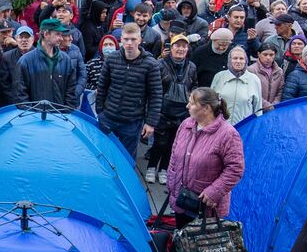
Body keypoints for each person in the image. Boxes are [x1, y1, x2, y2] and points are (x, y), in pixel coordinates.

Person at [165, 87, 245, 252]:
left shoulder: (228, 134)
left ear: (206, 108)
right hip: (183, 195)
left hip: (206, 200)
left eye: (191, 102)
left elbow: (235, 169)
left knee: (207, 237)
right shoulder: (186, 125)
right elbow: (175, 155)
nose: (187, 106)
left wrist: (214, 191)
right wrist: (172, 182)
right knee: (183, 231)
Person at [96, 21, 162, 159]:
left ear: (140, 40)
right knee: (103, 155)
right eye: (126, 39)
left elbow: (155, 95)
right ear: (121, 40)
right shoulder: (112, 59)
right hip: (108, 116)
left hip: (132, 121)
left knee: (126, 159)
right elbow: (102, 86)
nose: (129, 43)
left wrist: (150, 122)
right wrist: (100, 111)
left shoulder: (151, 64)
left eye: (133, 39)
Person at [146, 33, 196, 185]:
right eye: (177, 45)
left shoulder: (191, 66)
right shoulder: (160, 64)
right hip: (162, 109)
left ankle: (164, 169)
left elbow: (194, 86)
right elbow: (152, 87)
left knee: (173, 144)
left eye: (184, 46)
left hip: (182, 111)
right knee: (160, 142)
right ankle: (151, 167)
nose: (180, 49)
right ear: (171, 47)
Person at [12, 18, 83, 105]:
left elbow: (70, 92)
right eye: (58, 34)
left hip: (61, 116)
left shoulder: (66, 60)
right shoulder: (25, 61)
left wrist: (66, 112)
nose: (61, 38)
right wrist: (31, 115)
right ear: (46, 34)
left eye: (61, 35)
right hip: (35, 117)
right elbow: (21, 96)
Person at [210, 46, 263, 124]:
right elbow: (211, 103)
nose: (238, 61)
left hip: (244, 128)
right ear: (229, 60)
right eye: (235, 58)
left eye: (241, 58)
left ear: (246, 61)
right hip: (220, 127)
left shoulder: (254, 79)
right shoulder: (219, 77)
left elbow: (258, 108)